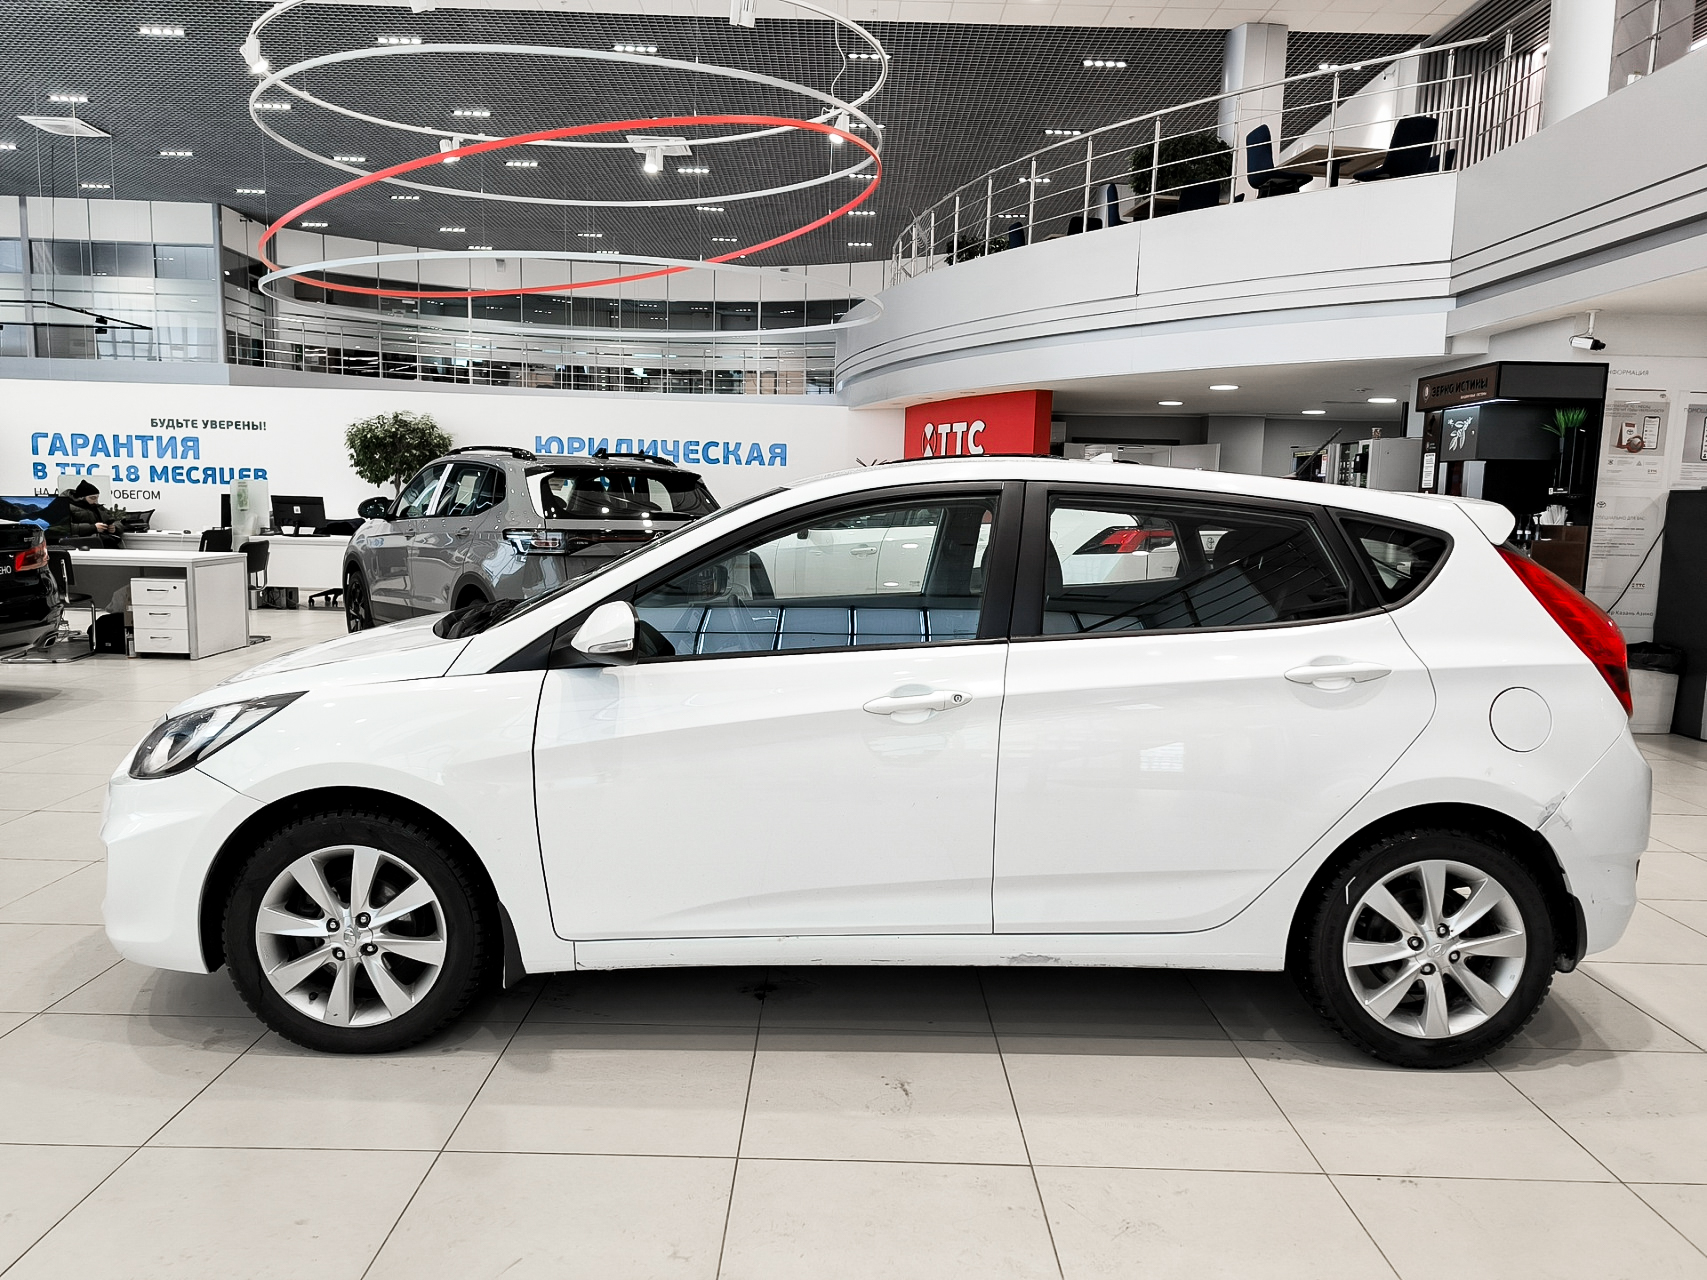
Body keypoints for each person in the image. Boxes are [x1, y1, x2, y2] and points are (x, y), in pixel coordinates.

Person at [46, 480, 125, 548]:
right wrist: (93, 528)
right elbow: (64, 528)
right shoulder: (66, 506)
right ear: (81, 497)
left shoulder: (98, 508)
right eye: (92, 498)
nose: (96, 501)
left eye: (97, 498)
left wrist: (114, 527)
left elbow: (115, 520)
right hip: (81, 544)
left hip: (101, 542)